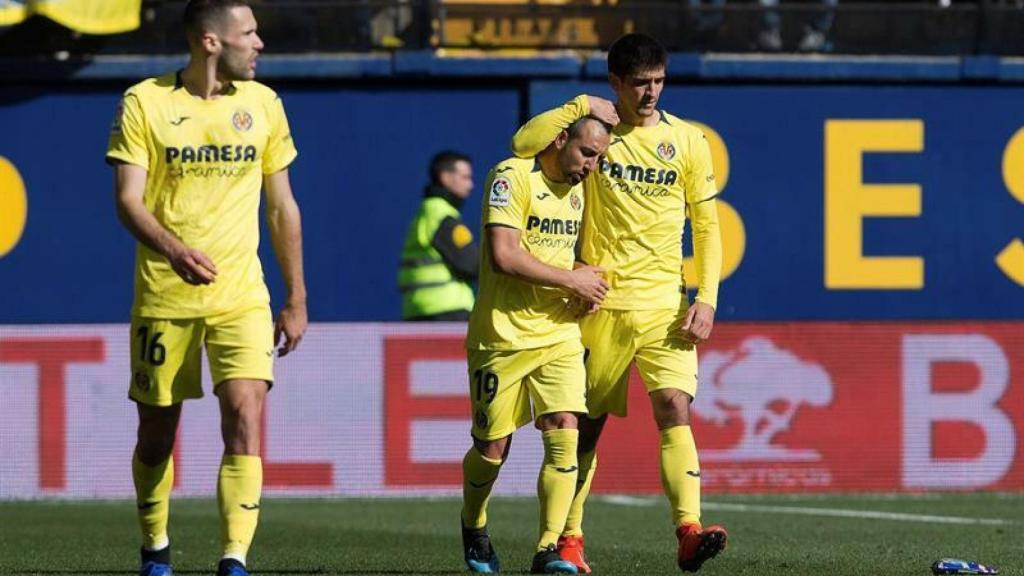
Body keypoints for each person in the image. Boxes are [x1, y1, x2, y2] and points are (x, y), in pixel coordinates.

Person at [510, 33, 727, 573]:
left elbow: (706, 225)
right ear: (615, 84)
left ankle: (688, 530)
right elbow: (523, 144)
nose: (650, 93)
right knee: (585, 427)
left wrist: (707, 298)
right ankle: (568, 540)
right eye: (639, 84)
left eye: (657, 81)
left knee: (675, 405)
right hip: (598, 304)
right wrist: (580, 106)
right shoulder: (595, 136)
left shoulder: (689, 141)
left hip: (663, 306)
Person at [105, 1, 307, 575]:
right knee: (156, 431)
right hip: (165, 296)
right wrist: (174, 250)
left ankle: (234, 559)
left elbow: (282, 206)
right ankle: (155, 546)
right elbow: (127, 199)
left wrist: (296, 296)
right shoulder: (145, 102)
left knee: (245, 413)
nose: (260, 43)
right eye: (249, 33)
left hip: (242, 295)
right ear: (212, 42)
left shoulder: (264, 105)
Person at [460, 116, 612, 574]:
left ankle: (548, 549)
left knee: (565, 426)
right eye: (587, 153)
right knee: (492, 448)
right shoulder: (510, 176)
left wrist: (585, 285)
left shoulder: (581, 190)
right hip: (501, 336)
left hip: (558, 333)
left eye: (599, 159)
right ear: (561, 138)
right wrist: (572, 280)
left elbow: (572, 257)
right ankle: (473, 522)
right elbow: (504, 256)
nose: (591, 166)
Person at [398, 150, 479, 321]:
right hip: (448, 310)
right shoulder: (442, 216)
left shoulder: (426, 212)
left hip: (417, 310)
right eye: (465, 177)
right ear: (445, 177)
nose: (471, 185)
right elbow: (473, 264)